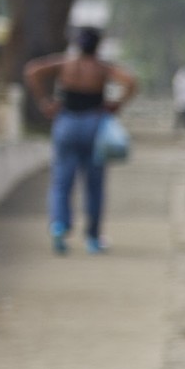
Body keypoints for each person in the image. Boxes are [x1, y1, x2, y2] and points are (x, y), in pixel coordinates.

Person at [23, 27, 138, 254]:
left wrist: (44, 101)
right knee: (94, 185)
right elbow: (131, 81)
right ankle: (93, 239)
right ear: (98, 45)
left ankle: (58, 225)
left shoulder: (65, 64)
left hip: (66, 123)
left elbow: (32, 70)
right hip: (94, 124)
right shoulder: (102, 68)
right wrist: (117, 103)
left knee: (61, 182)